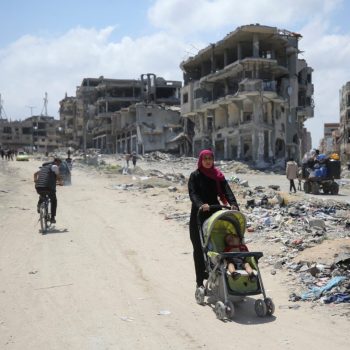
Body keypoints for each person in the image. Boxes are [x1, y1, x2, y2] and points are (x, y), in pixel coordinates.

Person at [188, 149, 239, 288]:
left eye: (210, 158)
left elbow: (227, 190)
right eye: (205, 158)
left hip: (214, 213)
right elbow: (193, 193)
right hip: (199, 215)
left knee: (216, 246)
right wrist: (200, 204)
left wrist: (233, 203)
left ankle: (217, 273)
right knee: (199, 249)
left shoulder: (218, 176)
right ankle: (200, 280)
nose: (208, 161)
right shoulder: (195, 176)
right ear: (201, 160)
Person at [34, 158, 62, 224]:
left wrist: (36, 181)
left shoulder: (42, 169)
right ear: (55, 162)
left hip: (38, 187)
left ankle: (39, 204)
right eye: (59, 163)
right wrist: (61, 182)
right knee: (54, 200)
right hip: (49, 188)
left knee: (42, 194)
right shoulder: (54, 166)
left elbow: (35, 174)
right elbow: (58, 177)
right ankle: (52, 218)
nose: (59, 165)